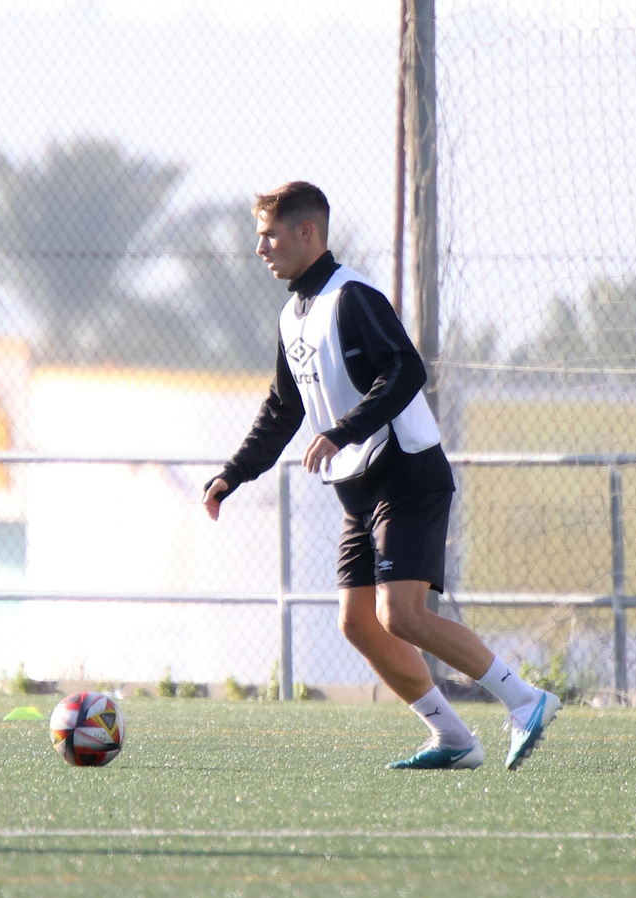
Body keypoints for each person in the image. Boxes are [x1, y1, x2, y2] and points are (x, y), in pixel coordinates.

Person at [202, 181, 561, 770]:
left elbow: (405, 371)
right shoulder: (293, 317)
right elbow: (282, 410)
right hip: (357, 490)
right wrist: (232, 475)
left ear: (306, 232)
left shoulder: (353, 297)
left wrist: (343, 430)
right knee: (359, 623)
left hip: (406, 474)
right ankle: (453, 738)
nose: (261, 248)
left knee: (402, 615)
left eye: (268, 235)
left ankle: (525, 702)